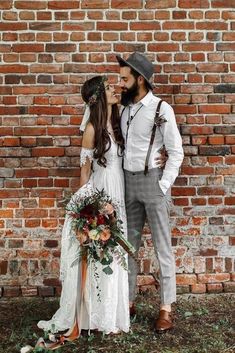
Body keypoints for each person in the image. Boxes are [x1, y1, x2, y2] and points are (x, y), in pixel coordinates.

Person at [21, 76, 130, 352]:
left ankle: (110, 315)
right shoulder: (92, 128)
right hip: (101, 192)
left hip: (117, 191)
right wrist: (85, 209)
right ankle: (90, 315)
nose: (114, 90)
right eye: (108, 88)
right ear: (98, 97)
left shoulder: (115, 124)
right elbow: (84, 171)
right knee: (98, 254)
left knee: (113, 254)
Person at [116, 52, 184, 333]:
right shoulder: (124, 109)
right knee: (128, 248)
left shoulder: (161, 108)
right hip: (127, 184)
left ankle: (166, 308)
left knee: (162, 248)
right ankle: (128, 302)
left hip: (152, 183)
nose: (120, 83)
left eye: (124, 78)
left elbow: (176, 152)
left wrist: (162, 184)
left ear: (139, 79)